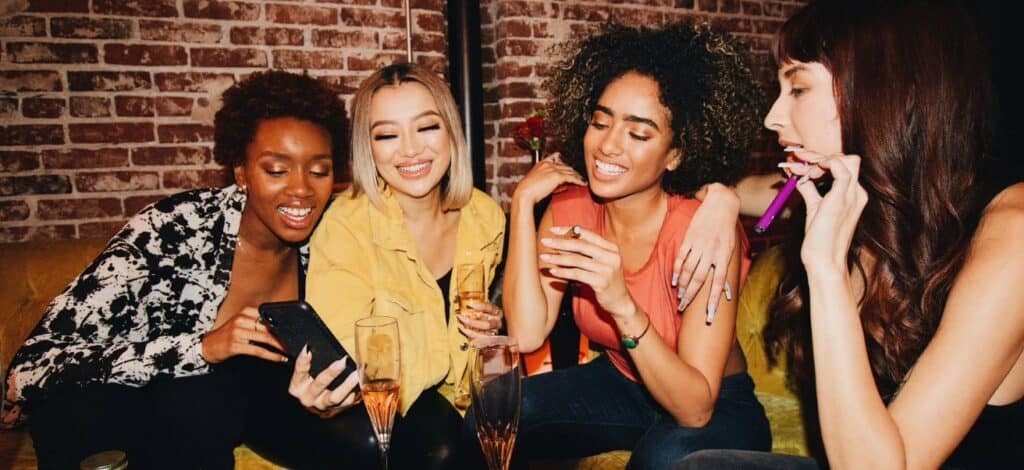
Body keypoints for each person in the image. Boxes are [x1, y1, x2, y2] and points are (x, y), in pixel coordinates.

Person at [677, 0, 1024, 468]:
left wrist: (825, 271)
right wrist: (722, 201)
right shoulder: (862, 196)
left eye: (798, 87)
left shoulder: (1011, 230)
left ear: (886, 91)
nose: (772, 117)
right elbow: (745, 191)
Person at [2, 70, 352, 469]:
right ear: (241, 173)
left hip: (212, 423)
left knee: (208, 401)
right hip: (110, 415)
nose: (301, 189)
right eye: (276, 170)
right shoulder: (172, 229)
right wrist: (201, 348)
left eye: (319, 171)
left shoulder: (329, 241)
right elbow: (31, 365)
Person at [472, 22, 772, 470]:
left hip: (716, 403)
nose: (607, 145)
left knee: (663, 458)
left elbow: (695, 408)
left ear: (676, 154)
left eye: (638, 133)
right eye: (600, 121)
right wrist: (522, 205)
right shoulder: (570, 209)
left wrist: (622, 305)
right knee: (495, 410)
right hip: (620, 384)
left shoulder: (702, 231)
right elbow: (529, 333)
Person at [294, 62, 506, 470]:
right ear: (367, 148)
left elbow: (485, 339)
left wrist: (492, 326)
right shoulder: (347, 225)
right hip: (391, 404)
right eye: (387, 135)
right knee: (441, 451)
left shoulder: (485, 215)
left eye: (426, 127)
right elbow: (340, 356)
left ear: (450, 132)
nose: (409, 150)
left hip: (462, 392)